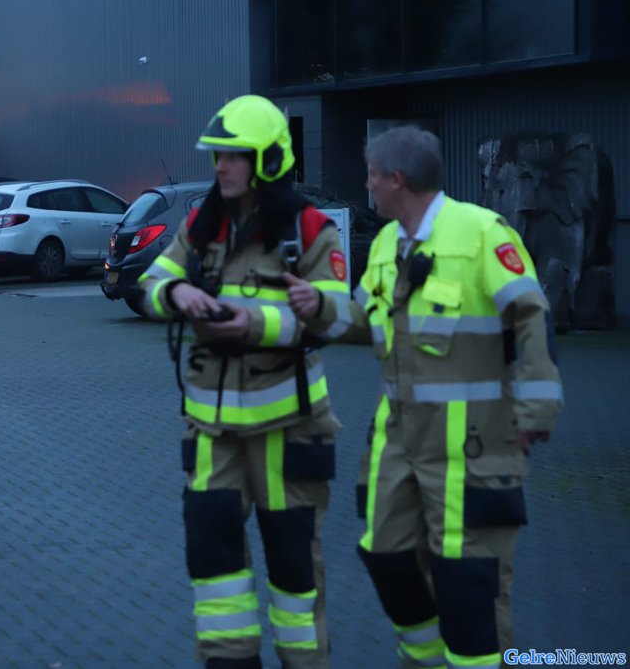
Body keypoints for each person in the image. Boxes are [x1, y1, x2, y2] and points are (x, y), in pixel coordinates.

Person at [284, 126, 563, 669]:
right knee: (385, 554)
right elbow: (365, 319)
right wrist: (315, 304)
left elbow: (532, 319)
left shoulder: (482, 231)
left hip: (475, 446)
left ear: (396, 179)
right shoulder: (389, 243)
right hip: (399, 440)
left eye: (370, 175)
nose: (365, 187)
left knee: (469, 584)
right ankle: (426, 657)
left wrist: (537, 410)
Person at [137, 94, 349, 669]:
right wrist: (178, 292)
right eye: (217, 156)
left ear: (268, 160)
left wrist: (255, 321)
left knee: (293, 569)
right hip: (213, 430)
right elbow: (154, 281)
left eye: (234, 156)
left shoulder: (308, 231)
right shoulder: (202, 224)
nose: (221, 167)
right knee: (212, 560)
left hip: (289, 430)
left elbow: (339, 316)